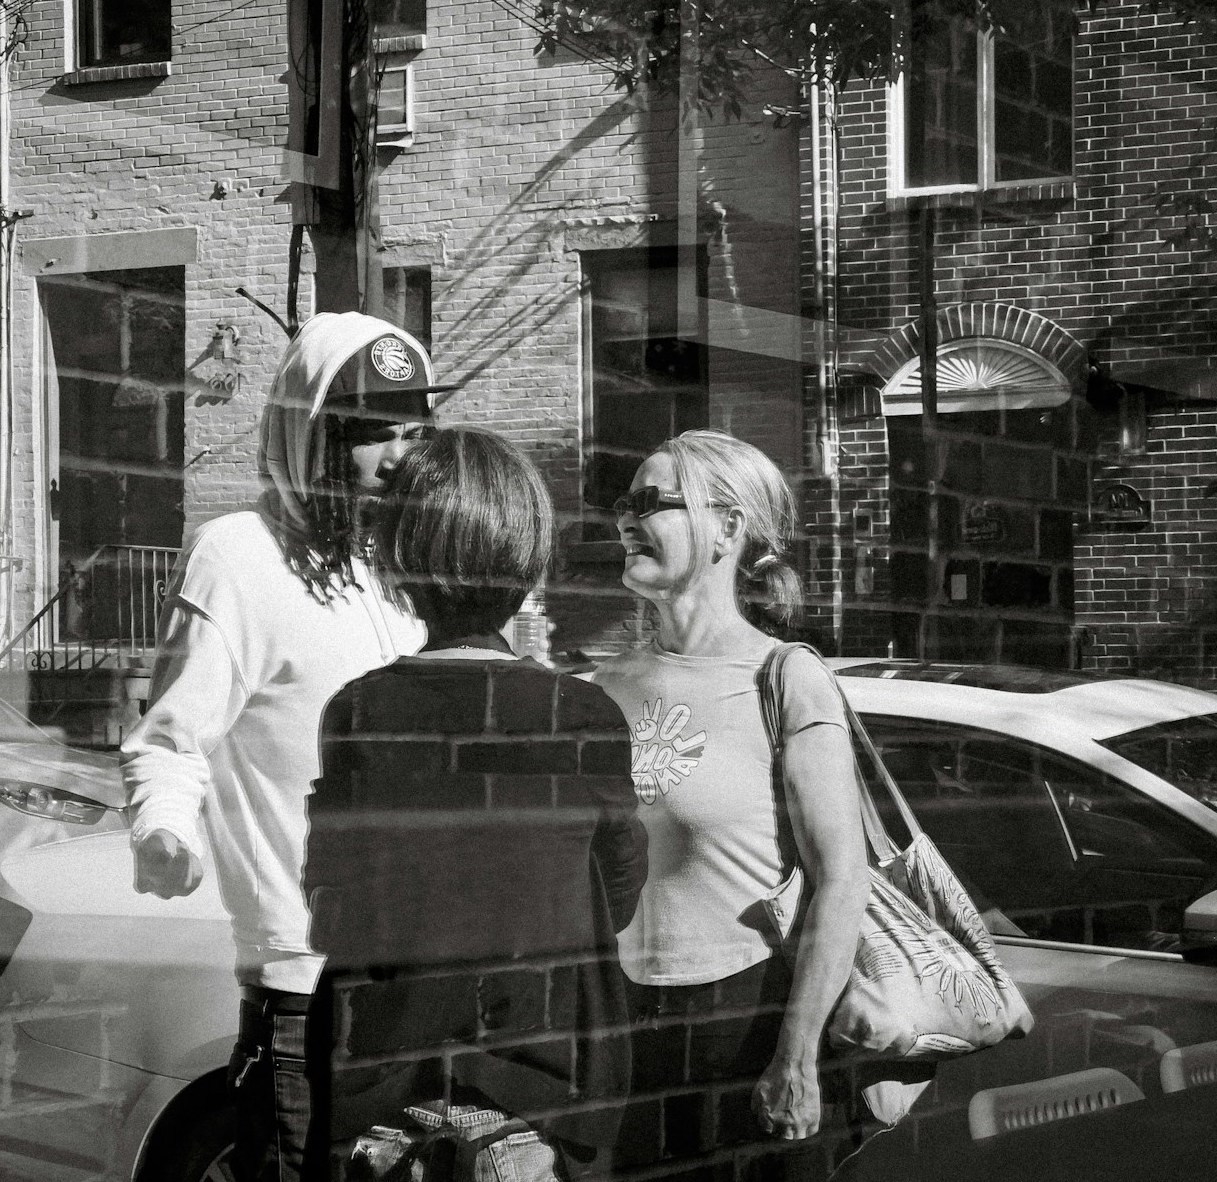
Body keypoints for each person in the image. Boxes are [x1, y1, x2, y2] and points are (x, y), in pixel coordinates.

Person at [121, 311, 458, 1182]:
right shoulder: (240, 556)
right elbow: (170, 739)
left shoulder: (407, 563)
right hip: (307, 987)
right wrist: (167, 831)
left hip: (426, 981)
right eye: (371, 433)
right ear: (309, 437)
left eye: (412, 430)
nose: (398, 456)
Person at [302, 428, 649, 1181]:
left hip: (386, 1087)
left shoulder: (359, 714)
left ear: (399, 557)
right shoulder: (583, 717)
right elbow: (615, 896)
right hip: (539, 1090)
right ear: (525, 559)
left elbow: (331, 905)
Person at [591, 429, 873, 1176]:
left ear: (727, 527)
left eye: (652, 500)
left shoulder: (784, 678)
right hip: (621, 1032)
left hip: (743, 1027)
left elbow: (843, 878)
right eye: (624, 500)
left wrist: (797, 1054)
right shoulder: (599, 688)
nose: (626, 517)